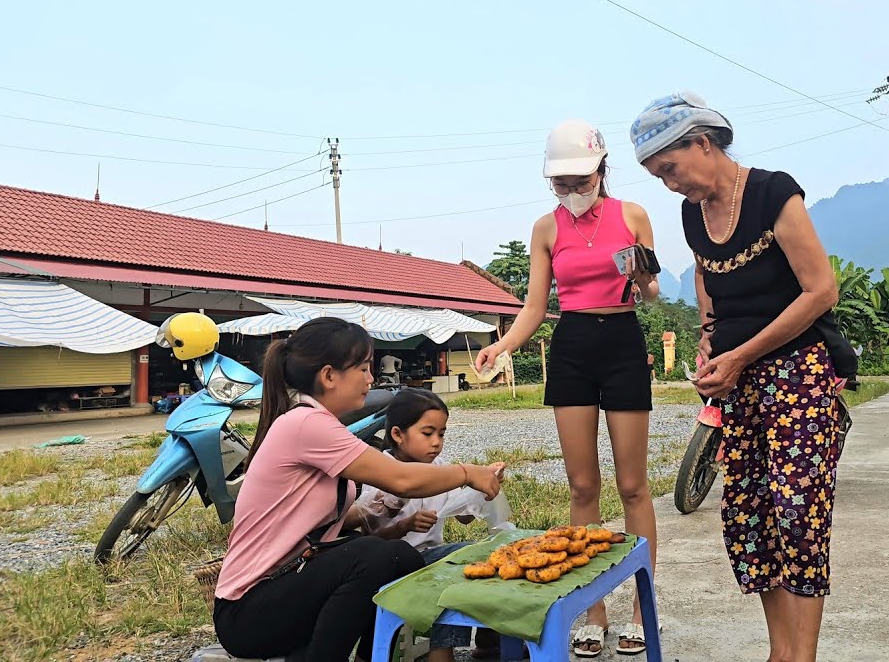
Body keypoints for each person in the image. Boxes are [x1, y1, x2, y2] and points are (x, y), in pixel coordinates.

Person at [631, 92, 848, 662]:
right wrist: (708, 339)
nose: (670, 185)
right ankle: (780, 651)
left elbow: (821, 289)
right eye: (659, 177)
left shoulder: (775, 192)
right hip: (739, 383)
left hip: (797, 375)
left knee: (798, 511)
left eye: (671, 169)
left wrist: (742, 355)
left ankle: (802, 655)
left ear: (703, 143)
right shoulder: (691, 213)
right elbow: (706, 276)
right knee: (753, 514)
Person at [212, 317, 505, 662]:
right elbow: (403, 478)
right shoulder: (305, 423)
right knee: (376, 555)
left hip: (288, 587)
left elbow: (334, 517)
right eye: (364, 368)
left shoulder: (314, 422)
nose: (371, 378)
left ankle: (372, 655)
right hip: (249, 610)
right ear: (329, 376)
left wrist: (378, 510)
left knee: (400, 555)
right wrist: (468, 473)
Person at [475, 119, 659, 657]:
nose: (573, 191)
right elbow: (536, 306)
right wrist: (502, 345)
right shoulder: (546, 229)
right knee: (582, 486)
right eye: (561, 183)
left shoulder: (633, 215)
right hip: (572, 346)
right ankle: (591, 609)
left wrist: (646, 278)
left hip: (623, 338)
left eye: (581, 180)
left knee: (633, 486)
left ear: (601, 169)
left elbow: (648, 295)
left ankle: (639, 611)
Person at [346, 388, 499, 662]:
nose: (436, 443)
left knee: (487, 553)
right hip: (394, 563)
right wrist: (405, 525)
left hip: (431, 558)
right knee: (459, 560)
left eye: (441, 434)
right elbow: (371, 537)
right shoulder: (383, 470)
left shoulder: (440, 469)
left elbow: (462, 516)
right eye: (427, 433)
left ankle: (491, 638)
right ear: (397, 434)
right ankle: (442, 652)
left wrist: (482, 488)